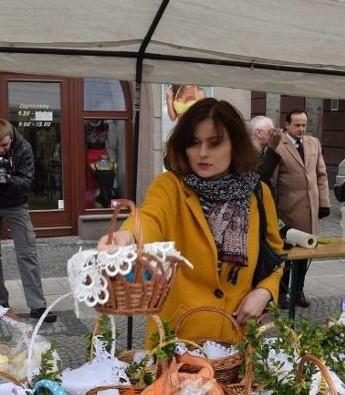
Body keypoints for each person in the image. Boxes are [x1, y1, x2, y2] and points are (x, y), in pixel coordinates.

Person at [97, 98, 284, 344]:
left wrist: (265, 292)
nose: (203, 153)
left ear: (235, 144)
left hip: (235, 336)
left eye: (214, 143)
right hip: (177, 341)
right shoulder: (171, 186)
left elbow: (276, 256)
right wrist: (128, 236)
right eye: (194, 143)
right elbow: (151, 216)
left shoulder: (257, 193)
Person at [0, 118, 57, 323]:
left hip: (16, 205)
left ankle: (37, 305)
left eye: (5, 145)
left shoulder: (23, 147)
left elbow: (27, 182)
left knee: (27, 252)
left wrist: (7, 176)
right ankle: (0, 302)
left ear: (11, 138)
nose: (0, 150)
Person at [273, 108, 330, 308]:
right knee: (286, 254)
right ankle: (282, 292)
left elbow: (321, 175)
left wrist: (324, 203)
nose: (301, 129)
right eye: (297, 125)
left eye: (304, 125)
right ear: (287, 125)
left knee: (306, 253)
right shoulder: (279, 145)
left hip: (310, 208)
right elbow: (272, 180)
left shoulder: (313, 143)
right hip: (287, 209)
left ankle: (298, 291)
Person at [249, 115, 282, 186]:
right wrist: (272, 146)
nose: (273, 134)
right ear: (259, 133)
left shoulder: (261, 152)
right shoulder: (246, 153)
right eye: (271, 131)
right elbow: (259, 177)